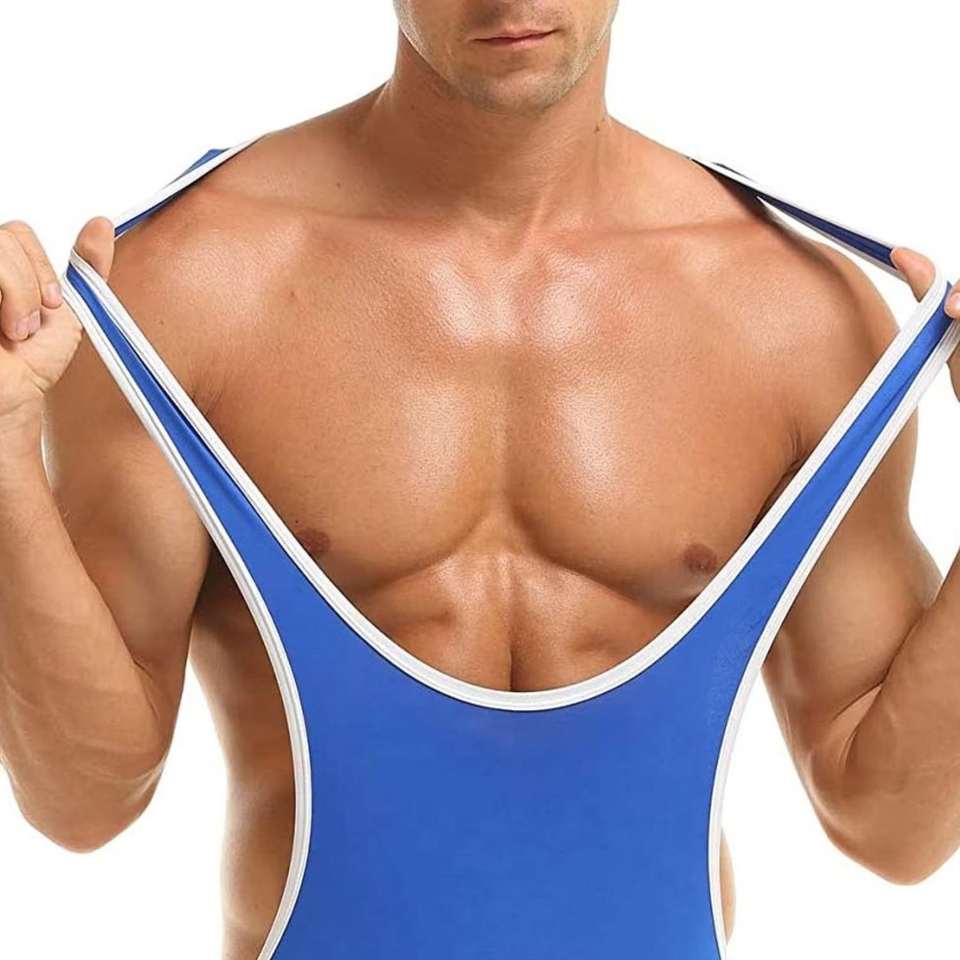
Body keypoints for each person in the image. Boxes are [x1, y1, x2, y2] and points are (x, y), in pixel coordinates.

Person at [1, 2, 959, 957]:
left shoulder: (798, 316)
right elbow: (82, 800)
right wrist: (3, 444)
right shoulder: (182, 290)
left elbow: (896, 825)